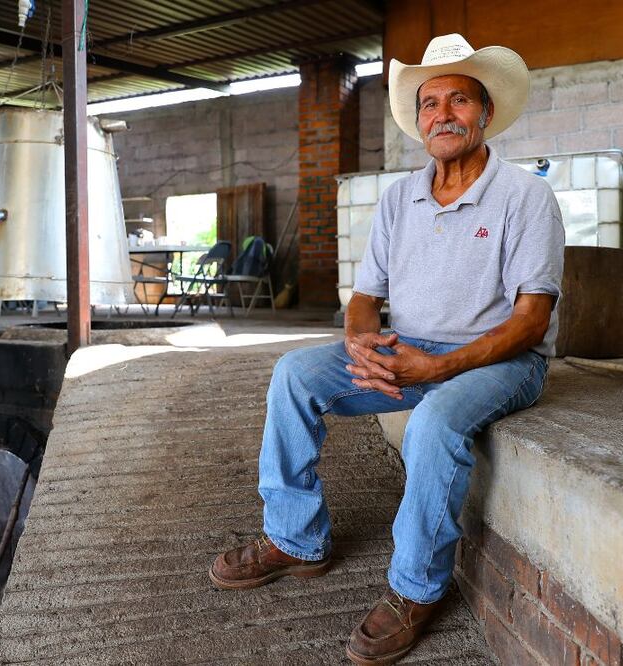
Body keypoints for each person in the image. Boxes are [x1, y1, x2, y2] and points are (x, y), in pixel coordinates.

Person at [209, 33, 565, 665]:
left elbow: (532, 321)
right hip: (412, 348)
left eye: (460, 100)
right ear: (419, 120)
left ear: (484, 115)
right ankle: (294, 539)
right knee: (294, 373)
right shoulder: (401, 198)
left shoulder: (526, 197)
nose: (443, 114)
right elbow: (365, 296)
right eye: (430, 103)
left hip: (502, 360)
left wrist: (440, 366)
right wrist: (360, 342)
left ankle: (416, 589)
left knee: (432, 422)